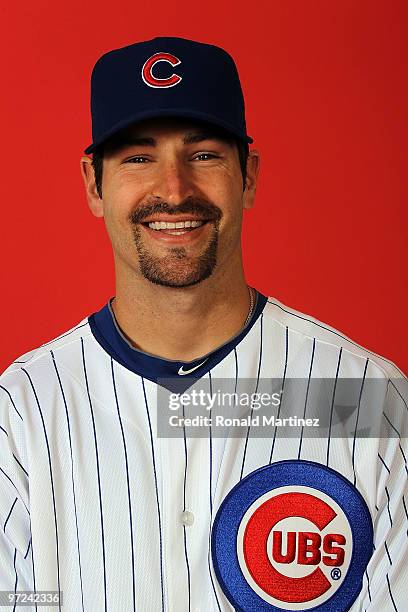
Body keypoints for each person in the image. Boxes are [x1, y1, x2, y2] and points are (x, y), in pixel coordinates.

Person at [0, 36, 406, 612]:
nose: (173, 190)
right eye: (139, 158)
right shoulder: (21, 414)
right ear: (94, 184)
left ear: (250, 176)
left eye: (205, 155)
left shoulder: (366, 397)